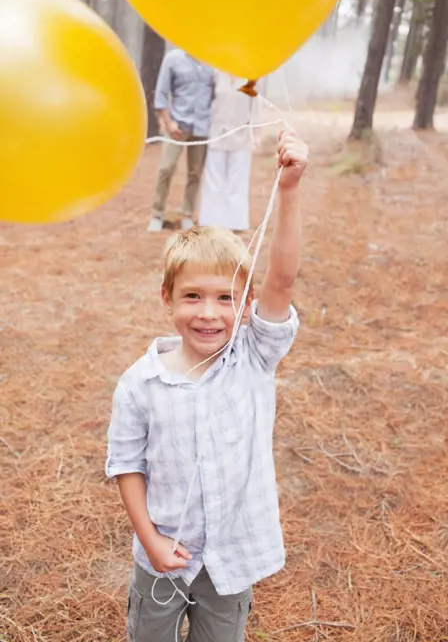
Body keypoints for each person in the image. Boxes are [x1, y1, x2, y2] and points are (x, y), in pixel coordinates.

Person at [106, 130, 308, 642]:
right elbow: (127, 467)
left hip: (230, 558)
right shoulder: (139, 384)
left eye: (224, 298)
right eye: (192, 296)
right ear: (167, 298)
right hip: (162, 560)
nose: (208, 313)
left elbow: (282, 280)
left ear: (246, 303)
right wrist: (149, 541)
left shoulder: (253, 357)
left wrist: (288, 189)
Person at [148, 49, 215, 233]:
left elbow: (217, 94)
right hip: (178, 125)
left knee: (195, 173)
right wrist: (168, 123)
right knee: (166, 168)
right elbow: (161, 94)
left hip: (202, 127)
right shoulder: (173, 59)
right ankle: (157, 214)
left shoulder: (213, 61)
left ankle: (187, 214)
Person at [197, 72, 255, 232]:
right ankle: (211, 221)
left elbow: (256, 106)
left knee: (238, 180)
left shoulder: (251, 76)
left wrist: (256, 132)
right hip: (217, 132)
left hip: (241, 134)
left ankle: (236, 222)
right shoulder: (216, 74)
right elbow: (207, 102)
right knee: (214, 179)